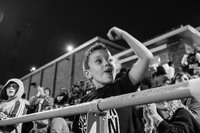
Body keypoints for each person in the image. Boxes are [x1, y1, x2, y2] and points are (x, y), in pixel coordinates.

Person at [72, 26, 153, 133]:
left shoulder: (122, 86)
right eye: (99, 61)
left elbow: (146, 58)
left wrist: (123, 34)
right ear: (88, 73)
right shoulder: (84, 100)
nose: (107, 63)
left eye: (110, 59)